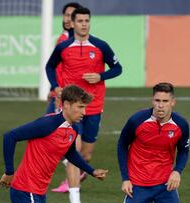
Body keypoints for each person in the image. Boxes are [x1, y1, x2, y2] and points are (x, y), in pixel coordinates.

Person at [46, 7, 122, 203]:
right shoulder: (64, 47)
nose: (84, 24)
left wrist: (100, 76)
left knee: (86, 155)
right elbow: (50, 66)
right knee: (74, 150)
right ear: (72, 23)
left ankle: (80, 172)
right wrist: (56, 87)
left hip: (94, 107)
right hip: (71, 108)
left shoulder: (100, 46)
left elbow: (118, 68)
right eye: (80, 21)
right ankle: (75, 199)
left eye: (87, 20)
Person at [0, 85, 108, 203]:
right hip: (25, 189)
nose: (84, 112)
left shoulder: (73, 129)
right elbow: (10, 137)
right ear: (66, 104)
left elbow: (71, 154)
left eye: (84, 107)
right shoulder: (47, 124)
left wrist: (92, 171)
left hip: (39, 191)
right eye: (80, 107)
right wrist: (9, 172)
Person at [117, 82, 190, 203]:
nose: (160, 105)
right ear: (152, 101)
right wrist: (125, 178)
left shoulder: (181, 124)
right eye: (157, 100)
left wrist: (177, 171)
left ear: (173, 102)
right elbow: (122, 145)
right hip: (137, 185)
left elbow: (184, 150)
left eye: (165, 101)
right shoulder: (137, 120)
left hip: (165, 185)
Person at [45, 2, 82, 114]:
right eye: (66, 15)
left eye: (72, 16)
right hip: (60, 93)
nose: (67, 19)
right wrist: (54, 89)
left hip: (71, 96)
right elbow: (58, 68)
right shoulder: (62, 39)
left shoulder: (81, 42)